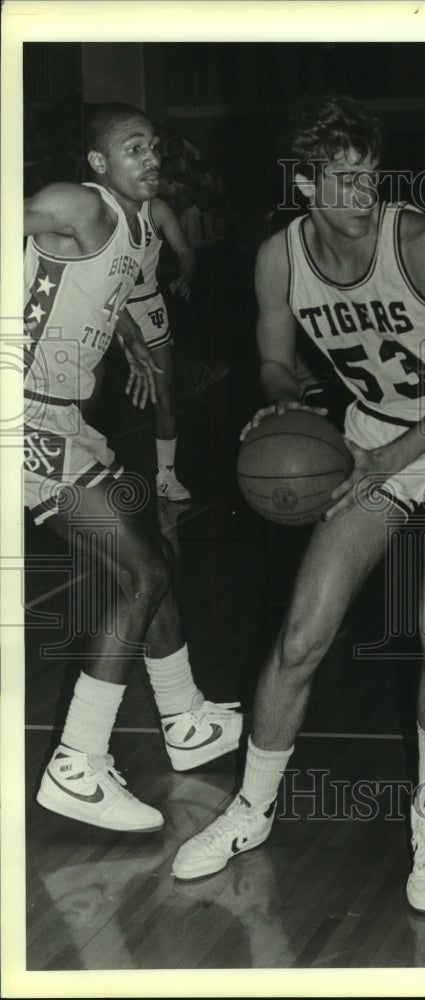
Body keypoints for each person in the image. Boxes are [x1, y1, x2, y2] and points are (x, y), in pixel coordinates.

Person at [172, 94, 425, 914]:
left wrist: (387, 461)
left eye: (369, 178)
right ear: (302, 182)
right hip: (371, 442)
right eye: (341, 181)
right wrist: (282, 405)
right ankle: (250, 811)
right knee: (301, 635)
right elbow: (272, 360)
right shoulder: (277, 258)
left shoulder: (424, 244)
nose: (361, 196)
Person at [24, 102, 242, 834]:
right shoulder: (75, 203)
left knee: (150, 556)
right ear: (97, 163)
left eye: (153, 146)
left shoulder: (138, 224)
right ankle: (77, 765)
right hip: (25, 418)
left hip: (62, 420)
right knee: (144, 571)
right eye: (132, 147)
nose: (151, 157)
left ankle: (184, 719)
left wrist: (132, 343)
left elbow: (99, 282)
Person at [126, 196, 195, 501]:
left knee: (163, 388)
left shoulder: (157, 209)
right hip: (108, 305)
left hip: (147, 303)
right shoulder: (97, 203)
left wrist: (185, 275)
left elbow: (185, 252)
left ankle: (166, 475)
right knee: (85, 388)